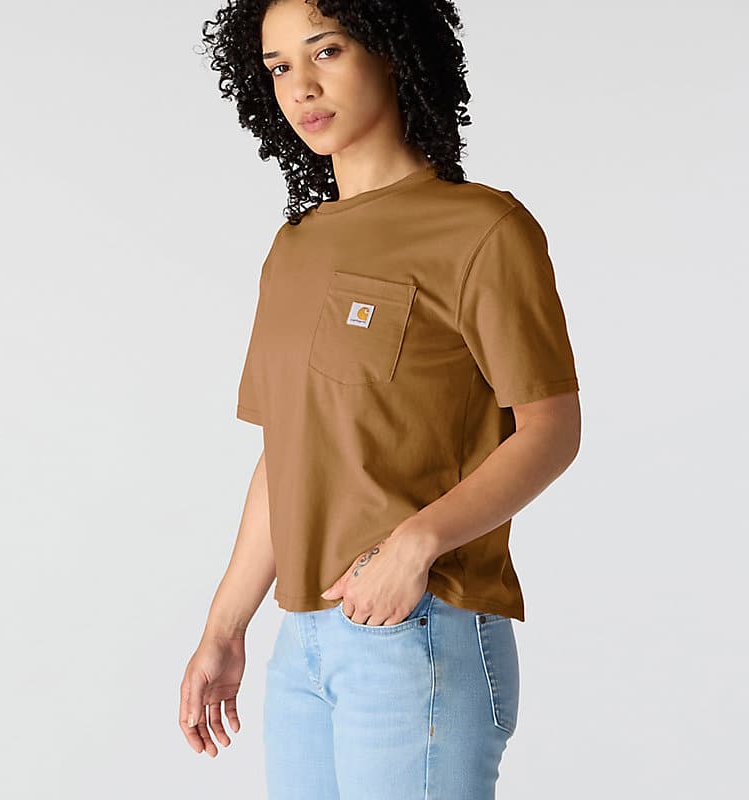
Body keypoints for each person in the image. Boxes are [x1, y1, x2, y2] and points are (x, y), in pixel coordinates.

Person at [180, 1, 582, 797]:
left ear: (393, 50)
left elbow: (551, 428)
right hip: (303, 643)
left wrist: (413, 546)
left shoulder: (482, 228)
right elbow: (288, 454)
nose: (300, 85)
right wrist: (225, 628)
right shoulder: (294, 248)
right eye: (278, 67)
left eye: (326, 51)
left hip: (421, 627)